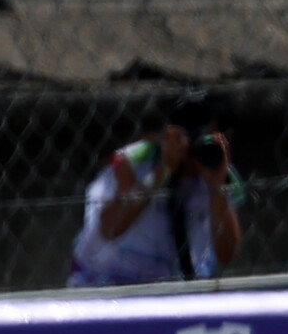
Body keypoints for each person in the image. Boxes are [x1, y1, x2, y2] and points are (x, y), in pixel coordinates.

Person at [70, 95, 245, 286]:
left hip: (172, 288)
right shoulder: (136, 160)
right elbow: (110, 228)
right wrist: (163, 170)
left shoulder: (219, 170)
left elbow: (227, 254)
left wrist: (217, 188)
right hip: (108, 280)